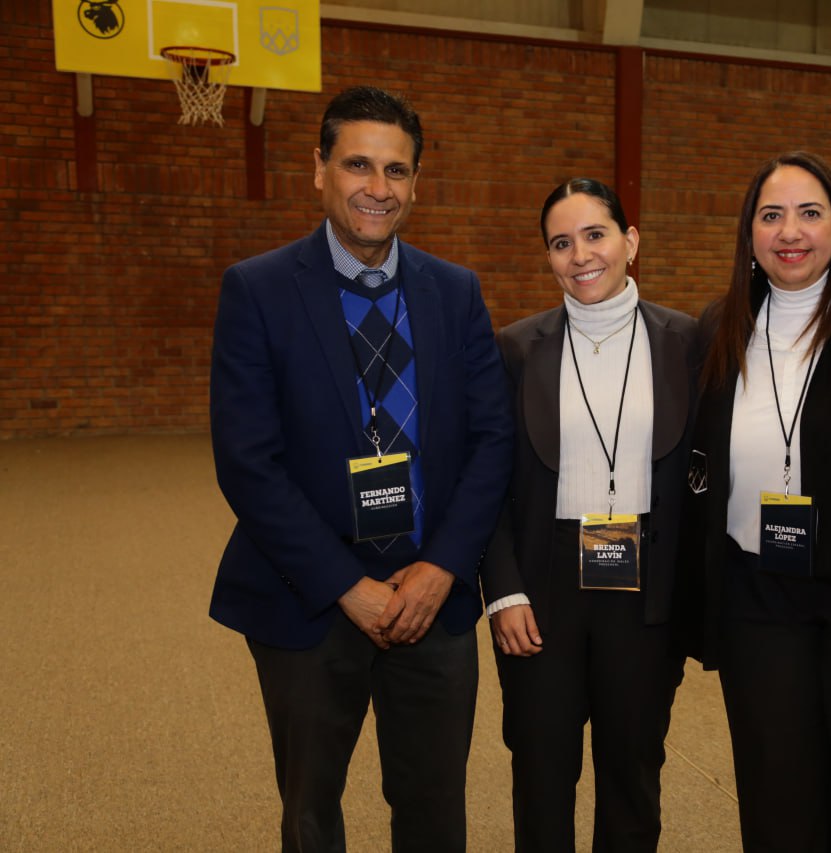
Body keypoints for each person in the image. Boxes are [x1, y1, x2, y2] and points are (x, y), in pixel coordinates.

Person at [208, 86, 514, 852]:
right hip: (308, 599)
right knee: (310, 812)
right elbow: (248, 462)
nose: (378, 187)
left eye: (396, 170)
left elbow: (493, 439)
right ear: (319, 169)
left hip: (431, 599)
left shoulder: (455, 291)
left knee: (435, 808)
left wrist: (443, 567)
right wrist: (346, 585)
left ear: (416, 182)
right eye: (357, 165)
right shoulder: (258, 289)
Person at [681, 151, 831, 852]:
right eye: (771, 215)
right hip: (758, 597)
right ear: (749, 234)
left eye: (809, 213)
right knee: (775, 788)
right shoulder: (720, 325)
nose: (790, 231)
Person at [479, 178, 698, 852]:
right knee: (541, 768)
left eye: (595, 235)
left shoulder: (687, 343)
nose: (580, 255)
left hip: (645, 585)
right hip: (541, 586)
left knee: (633, 767)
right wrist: (503, 590)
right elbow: (485, 482)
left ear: (630, 241)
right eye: (560, 243)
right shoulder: (516, 349)